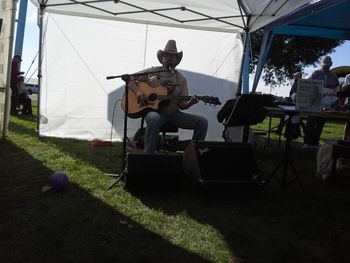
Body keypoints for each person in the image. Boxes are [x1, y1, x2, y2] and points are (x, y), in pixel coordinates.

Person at [128, 39, 208, 154]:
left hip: (173, 114)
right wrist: (138, 92)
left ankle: (194, 156)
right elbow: (130, 79)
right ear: (162, 58)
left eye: (173, 56)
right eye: (167, 55)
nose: (170, 58)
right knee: (154, 118)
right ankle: (148, 156)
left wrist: (191, 102)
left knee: (202, 122)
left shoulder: (181, 79)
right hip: (153, 112)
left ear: (176, 60)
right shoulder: (152, 72)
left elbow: (182, 106)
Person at [303, 56, 339, 149]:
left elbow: (337, 91)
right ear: (322, 64)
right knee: (310, 123)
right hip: (313, 103)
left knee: (320, 124)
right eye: (325, 65)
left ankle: (315, 142)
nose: (326, 67)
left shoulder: (334, 77)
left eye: (328, 65)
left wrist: (332, 101)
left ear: (330, 65)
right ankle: (307, 142)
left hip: (326, 106)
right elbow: (307, 85)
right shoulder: (315, 73)